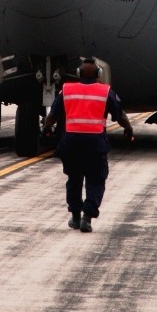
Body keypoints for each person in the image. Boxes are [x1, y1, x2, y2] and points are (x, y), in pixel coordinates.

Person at [42, 58, 134, 232]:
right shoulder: (105, 92)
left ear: (79, 73)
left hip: (71, 143)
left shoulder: (67, 90)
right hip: (95, 143)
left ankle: (75, 217)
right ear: (99, 74)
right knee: (96, 180)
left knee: (74, 179)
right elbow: (120, 115)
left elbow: (52, 115)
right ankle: (87, 217)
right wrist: (128, 129)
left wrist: (46, 130)